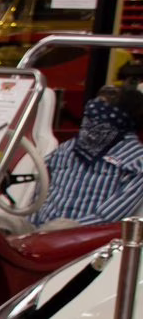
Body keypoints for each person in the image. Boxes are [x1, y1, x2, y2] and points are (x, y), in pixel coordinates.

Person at [24, 90, 143, 230]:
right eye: (88, 115)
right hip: (35, 230)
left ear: (121, 120)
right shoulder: (68, 148)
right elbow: (40, 190)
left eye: (97, 117)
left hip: (82, 237)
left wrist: (62, 230)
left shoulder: (135, 162)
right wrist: (28, 227)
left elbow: (109, 216)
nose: (88, 123)